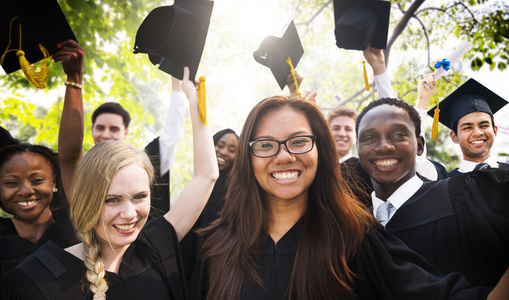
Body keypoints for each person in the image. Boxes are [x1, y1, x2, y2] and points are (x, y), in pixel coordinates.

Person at [190, 95, 498, 300]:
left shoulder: (355, 238)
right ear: (249, 158)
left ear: (321, 152)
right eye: (266, 145)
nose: (283, 157)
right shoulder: (216, 245)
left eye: (299, 141)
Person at [0, 66, 219, 299]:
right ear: (86, 200)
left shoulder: (155, 246)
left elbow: (207, 176)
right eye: (112, 200)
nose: (129, 213)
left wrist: (192, 99)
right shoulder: (32, 284)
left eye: (139, 196)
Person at [356, 97, 509, 287]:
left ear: (420, 146)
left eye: (398, 135)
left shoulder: (462, 196)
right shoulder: (353, 226)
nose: (384, 145)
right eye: (370, 137)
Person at [55, 40, 186, 216]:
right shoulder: (84, 174)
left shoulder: (143, 164)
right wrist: (74, 80)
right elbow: (69, 157)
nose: (106, 134)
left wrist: (178, 87)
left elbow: (171, 137)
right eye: (100, 127)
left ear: (126, 133)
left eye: (114, 129)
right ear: (92, 130)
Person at [0, 144, 76, 278]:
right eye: (11, 183)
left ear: (54, 182)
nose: (26, 191)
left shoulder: (74, 229)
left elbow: (70, 156)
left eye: (37, 180)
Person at [418, 75, 508, 176]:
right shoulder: (445, 183)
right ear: (454, 137)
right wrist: (422, 101)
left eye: (483, 125)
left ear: (495, 130)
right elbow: (414, 159)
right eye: (467, 127)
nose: (477, 132)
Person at [181, 128, 239, 280]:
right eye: (220, 145)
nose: (224, 152)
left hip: (214, 264)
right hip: (186, 257)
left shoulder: (235, 192)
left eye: (232, 150)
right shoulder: (199, 183)